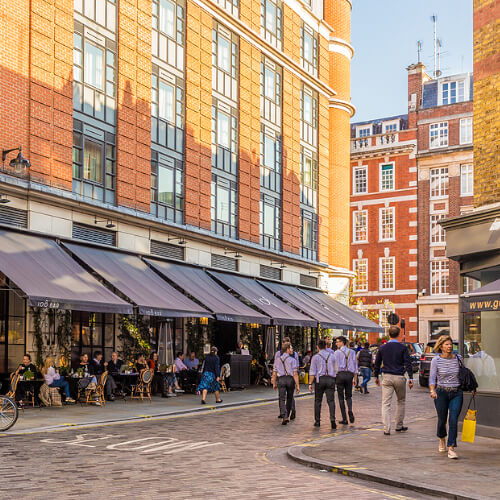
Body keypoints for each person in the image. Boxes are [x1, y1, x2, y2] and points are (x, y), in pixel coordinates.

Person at [429, 335, 469, 459]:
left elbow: (464, 374)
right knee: (442, 419)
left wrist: (471, 387)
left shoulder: (458, 358)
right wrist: (432, 390)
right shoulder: (436, 360)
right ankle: (442, 438)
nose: (450, 346)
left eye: (451, 344)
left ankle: (451, 447)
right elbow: (432, 377)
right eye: (446, 344)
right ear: (441, 346)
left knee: (453, 419)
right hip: (441, 393)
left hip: (456, 392)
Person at [374, 326, 414, 435]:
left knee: (385, 403)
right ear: (399, 334)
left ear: (388, 334)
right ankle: (399, 426)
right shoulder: (402, 347)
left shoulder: (382, 348)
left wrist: (376, 376)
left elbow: (377, 363)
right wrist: (411, 377)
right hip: (399, 377)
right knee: (401, 401)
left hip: (387, 377)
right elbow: (408, 363)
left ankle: (387, 428)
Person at [308, 340, 337, 429]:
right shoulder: (332, 356)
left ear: (317, 347)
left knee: (318, 401)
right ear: (326, 346)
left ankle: (317, 421)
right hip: (330, 379)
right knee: (331, 401)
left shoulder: (315, 357)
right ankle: (332, 420)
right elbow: (336, 370)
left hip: (320, 380)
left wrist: (310, 383)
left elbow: (312, 372)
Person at [272, 342, 300, 425]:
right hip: (290, 379)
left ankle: (284, 415)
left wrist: (274, 382)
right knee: (290, 398)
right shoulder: (293, 360)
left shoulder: (277, 360)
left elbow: (274, 373)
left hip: (281, 379)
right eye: (291, 348)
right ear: (287, 349)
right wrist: (297, 385)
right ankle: (287, 414)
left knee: (281, 398)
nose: (292, 350)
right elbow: (295, 374)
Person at [333, 336, 358, 424]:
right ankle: (350, 410)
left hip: (340, 375)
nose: (336, 344)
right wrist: (355, 378)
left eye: (337, 342)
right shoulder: (352, 352)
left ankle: (344, 418)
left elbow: (334, 366)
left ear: (342, 342)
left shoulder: (336, 353)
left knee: (340, 397)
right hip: (349, 375)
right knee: (349, 396)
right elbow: (355, 366)